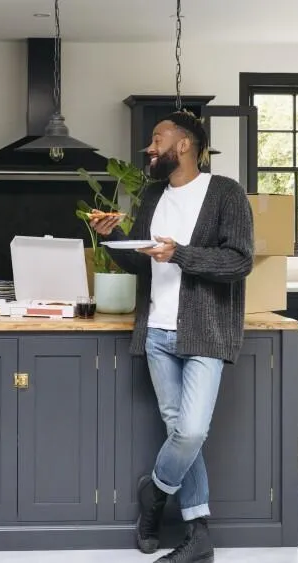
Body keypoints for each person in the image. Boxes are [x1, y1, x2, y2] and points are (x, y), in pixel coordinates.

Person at [90, 111, 253, 563]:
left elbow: (239, 262)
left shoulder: (225, 193)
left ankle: (155, 493)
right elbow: (143, 260)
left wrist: (179, 253)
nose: (149, 148)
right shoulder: (154, 195)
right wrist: (116, 237)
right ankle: (198, 534)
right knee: (181, 429)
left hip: (204, 331)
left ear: (183, 145)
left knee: (192, 429)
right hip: (158, 330)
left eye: (156, 139)